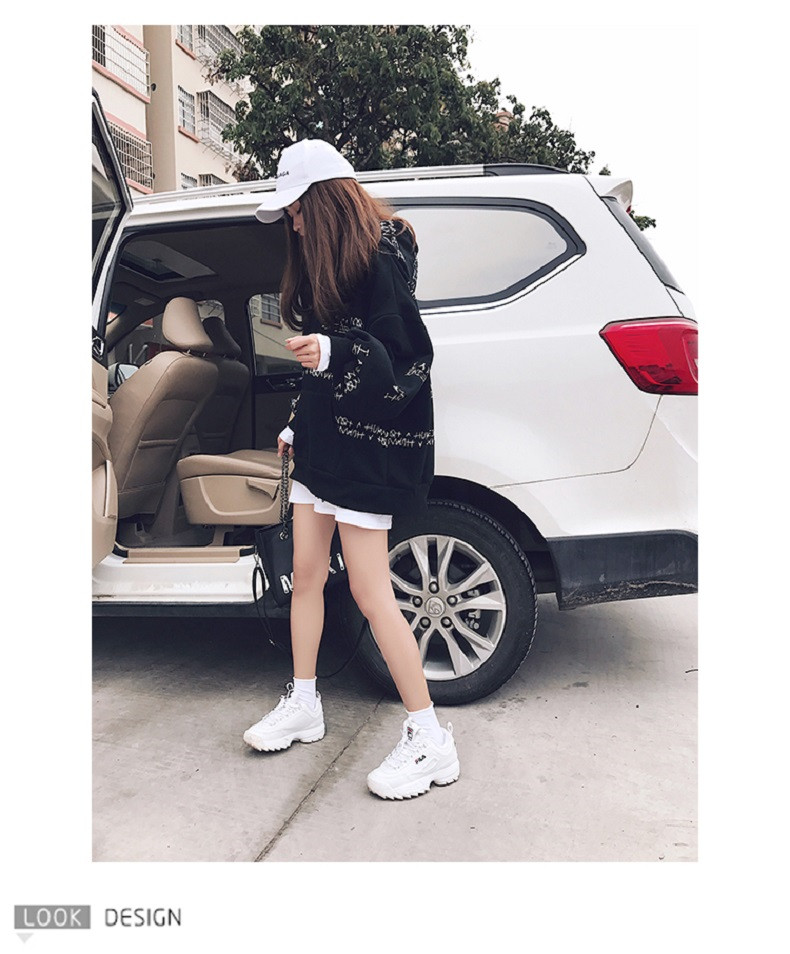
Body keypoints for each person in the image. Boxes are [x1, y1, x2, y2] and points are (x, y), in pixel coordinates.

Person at [242, 139, 460, 799]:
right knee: (306, 576)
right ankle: (305, 701)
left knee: (371, 592)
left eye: (297, 210)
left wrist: (334, 351)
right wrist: (295, 424)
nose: (293, 223)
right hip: (322, 448)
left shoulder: (384, 253)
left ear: (325, 200)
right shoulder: (327, 265)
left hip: (367, 452)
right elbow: (322, 370)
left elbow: (408, 356)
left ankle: (431, 739)